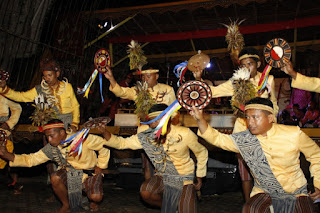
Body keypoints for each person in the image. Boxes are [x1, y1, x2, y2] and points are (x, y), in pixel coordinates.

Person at [190, 97, 320, 212]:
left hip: (295, 191)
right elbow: (218, 139)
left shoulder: (293, 134)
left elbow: (316, 155)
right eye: (247, 117)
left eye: (255, 117)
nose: (250, 122)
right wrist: (200, 119)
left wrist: (317, 184)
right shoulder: (245, 140)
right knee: (250, 209)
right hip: (264, 191)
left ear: (270, 118)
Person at [99, 104, 208, 213]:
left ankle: (181, 203)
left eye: (158, 120)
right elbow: (122, 143)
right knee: (146, 191)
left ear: (168, 119)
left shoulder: (184, 133)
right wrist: (104, 132)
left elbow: (201, 152)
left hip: (184, 178)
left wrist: (200, 175)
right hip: (162, 176)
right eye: (152, 120)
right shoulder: (146, 135)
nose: (154, 123)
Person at [207, 47, 279, 201]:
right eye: (242, 65)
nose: (246, 68)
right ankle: (248, 204)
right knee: (245, 172)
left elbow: (274, 104)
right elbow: (214, 91)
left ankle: (267, 202)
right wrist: (199, 83)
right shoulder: (236, 82)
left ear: (258, 63)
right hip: (242, 131)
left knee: (265, 170)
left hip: (264, 133)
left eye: (250, 64)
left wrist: (274, 124)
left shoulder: (268, 79)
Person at [0, 119, 110, 213]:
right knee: (55, 177)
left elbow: (104, 145)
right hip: (71, 173)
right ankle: (66, 205)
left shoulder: (81, 138)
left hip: (90, 172)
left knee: (96, 197)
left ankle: (91, 199)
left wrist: (101, 165)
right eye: (47, 137)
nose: (49, 140)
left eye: (52, 136)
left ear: (62, 133)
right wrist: (7, 155)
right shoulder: (51, 148)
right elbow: (31, 159)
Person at [0, 58, 80, 131]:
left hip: (68, 122)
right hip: (51, 126)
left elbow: (75, 106)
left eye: (49, 75)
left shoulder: (67, 87)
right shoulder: (40, 89)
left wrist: (75, 123)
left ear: (57, 74)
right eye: (45, 76)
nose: (47, 78)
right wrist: (4, 89)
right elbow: (21, 97)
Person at [104, 66, 176, 107]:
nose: (145, 79)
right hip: (143, 128)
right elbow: (121, 92)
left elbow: (174, 110)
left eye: (148, 76)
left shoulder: (167, 89)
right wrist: (111, 78)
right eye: (143, 77)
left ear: (156, 76)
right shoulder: (138, 90)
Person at [0, 69, 22, 194]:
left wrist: (9, 123)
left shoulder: (5, 94)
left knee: (9, 156)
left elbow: (17, 108)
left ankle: (14, 184)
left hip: (3, 131)